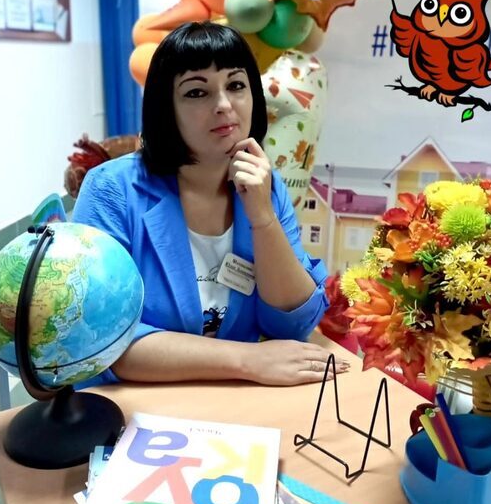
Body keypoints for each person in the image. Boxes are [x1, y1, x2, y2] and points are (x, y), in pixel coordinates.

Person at [73, 21, 349, 386]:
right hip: (137, 402)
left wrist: (263, 218)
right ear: (166, 108)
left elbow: (291, 323)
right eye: (196, 92)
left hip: (232, 402)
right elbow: (100, 340)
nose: (223, 105)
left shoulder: (266, 184)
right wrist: (248, 360)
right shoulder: (112, 190)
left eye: (236, 85)